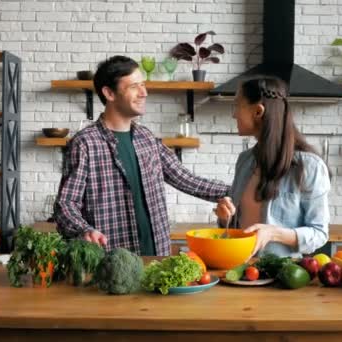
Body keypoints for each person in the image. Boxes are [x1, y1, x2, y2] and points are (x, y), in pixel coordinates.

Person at [54, 55, 231, 256]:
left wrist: (239, 191)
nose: (144, 92)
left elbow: (186, 179)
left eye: (143, 85)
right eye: (134, 87)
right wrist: (84, 230)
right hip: (113, 263)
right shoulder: (85, 143)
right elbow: (66, 204)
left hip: (158, 260)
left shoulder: (146, 138)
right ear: (109, 93)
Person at [215, 76, 330, 258]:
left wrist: (274, 233)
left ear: (258, 111)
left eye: (237, 105)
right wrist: (224, 218)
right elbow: (237, 229)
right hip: (241, 271)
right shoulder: (245, 161)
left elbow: (319, 234)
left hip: (282, 278)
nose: (233, 114)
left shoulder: (309, 166)